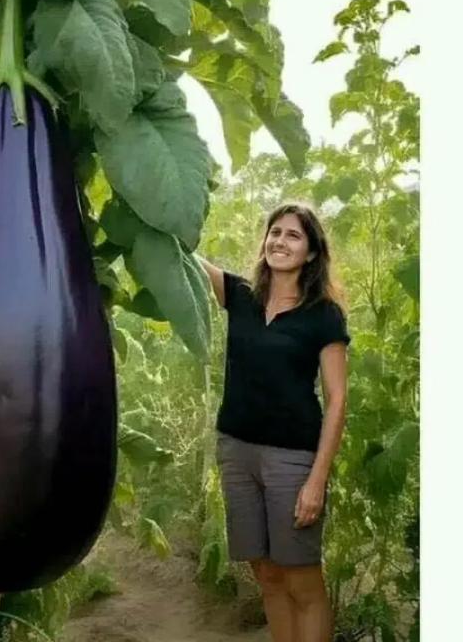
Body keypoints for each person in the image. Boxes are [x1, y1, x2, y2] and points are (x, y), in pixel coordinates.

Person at [198, 202, 350, 642]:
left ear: (313, 253)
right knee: (265, 573)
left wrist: (316, 480)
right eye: (275, 232)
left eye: (293, 235)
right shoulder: (241, 296)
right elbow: (184, 255)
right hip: (236, 452)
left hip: (292, 459)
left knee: (302, 579)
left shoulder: (323, 314)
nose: (280, 241)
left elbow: (337, 398)